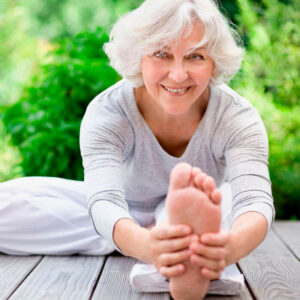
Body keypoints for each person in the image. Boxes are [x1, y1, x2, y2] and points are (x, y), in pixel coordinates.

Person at [0, 0, 274, 299]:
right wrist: (146, 243)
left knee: (228, 199)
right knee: (8, 203)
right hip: (120, 213)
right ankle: (171, 255)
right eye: (161, 54)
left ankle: (185, 257)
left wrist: (231, 246)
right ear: (137, 57)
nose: (179, 75)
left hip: (203, 212)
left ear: (214, 63)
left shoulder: (236, 117)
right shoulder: (109, 112)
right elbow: (104, 199)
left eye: (195, 56)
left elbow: (254, 199)